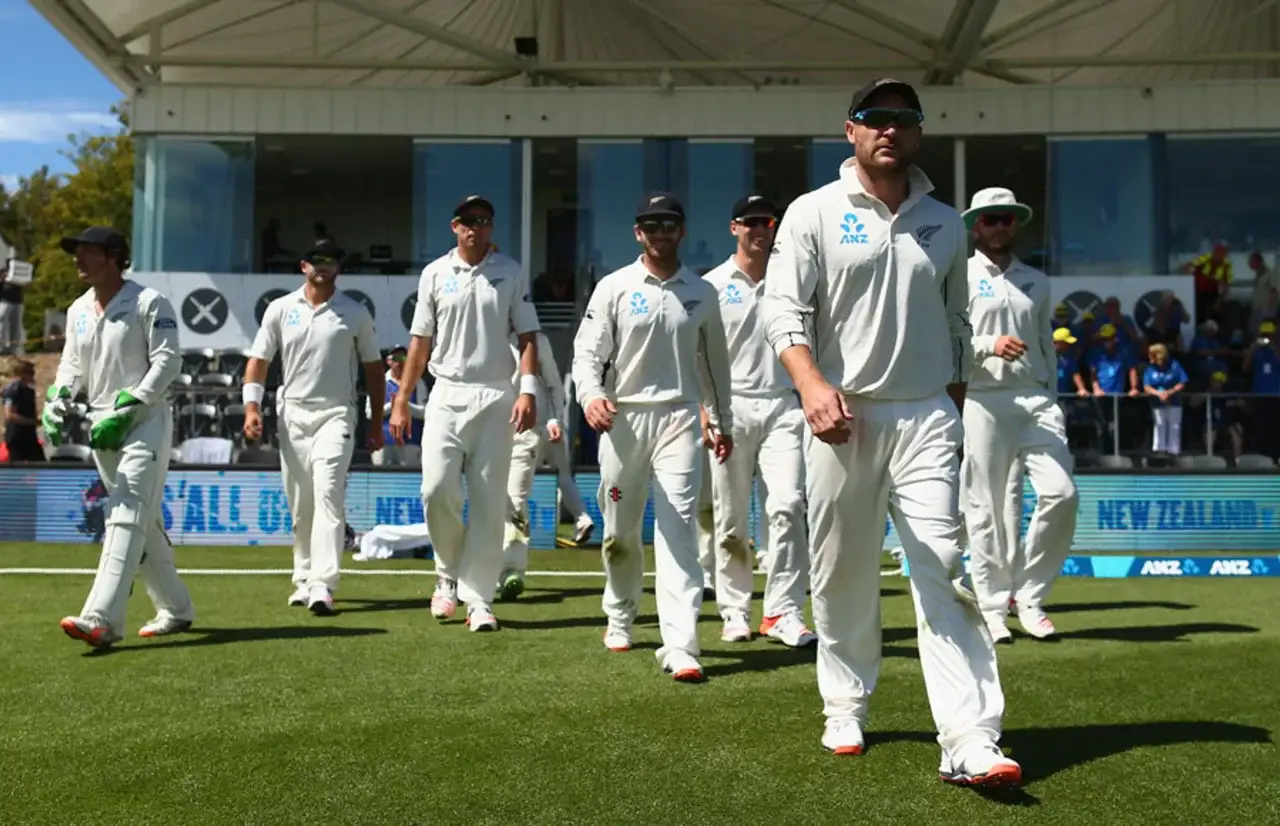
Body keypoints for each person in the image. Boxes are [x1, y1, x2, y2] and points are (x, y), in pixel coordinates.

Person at [760, 78, 1020, 787]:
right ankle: (845, 705)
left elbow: (959, 324)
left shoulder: (946, 221)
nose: (890, 129)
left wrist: (952, 407)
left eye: (904, 118)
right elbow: (783, 311)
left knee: (944, 566)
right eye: (875, 117)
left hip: (927, 414)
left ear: (919, 131)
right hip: (841, 417)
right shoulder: (813, 211)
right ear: (851, 129)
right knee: (841, 570)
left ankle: (970, 737)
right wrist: (811, 386)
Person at [572, 192, 734, 682]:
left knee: (679, 528)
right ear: (638, 233)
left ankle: (681, 645)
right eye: (651, 225)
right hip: (624, 418)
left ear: (681, 231)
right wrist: (591, 396)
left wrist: (721, 420)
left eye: (669, 224)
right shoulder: (615, 287)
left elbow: (715, 366)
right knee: (619, 533)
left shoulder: (702, 292)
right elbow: (588, 352)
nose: (660, 232)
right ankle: (620, 614)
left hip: (680, 419)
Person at [390, 195, 541, 632]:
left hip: (496, 394)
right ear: (455, 226)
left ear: (491, 226)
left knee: (490, 501)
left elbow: (528, 336)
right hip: (447, 392)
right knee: (436, 489)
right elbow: (420, 341)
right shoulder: (435, 273)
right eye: (468, 221)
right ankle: (446, 576)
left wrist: (527, 391)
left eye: (484, 220)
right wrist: (401, 399)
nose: (476, 227)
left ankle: (479, 600)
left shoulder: (510, 271)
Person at [46, 227, 194, 647]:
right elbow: (71, 366)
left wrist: (132, 404)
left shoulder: (149, 302)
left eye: (87, 252)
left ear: (112, 256)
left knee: (125, 511)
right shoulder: (78, 309)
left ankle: (102, 619)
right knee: (143, 521)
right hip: (101, 429)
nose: (77, 260)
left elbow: (168, 361)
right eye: (76, 252)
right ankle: (177, 608)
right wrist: (58, 397)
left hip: (145, 422)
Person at [959, 187, 1079, 645]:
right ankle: (992, 608)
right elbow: (946, 339)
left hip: (1035, 398)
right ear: (975, 225)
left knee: (1062, 494)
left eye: (1006, 219)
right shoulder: (959, 276)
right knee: (987, 508)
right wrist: (989, 345)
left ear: (1016, 224)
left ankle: (1029, 597)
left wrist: (1052, 394)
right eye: (990, 219)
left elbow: (1046, 343)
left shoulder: (1037, 280)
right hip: (983, 398)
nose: (998, 227)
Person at [244, 238, 385, 615]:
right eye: (316, 259)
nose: (323, 265)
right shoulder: (280, 308)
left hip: (336, 414)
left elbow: (374, 370)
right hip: (292, 414)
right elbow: (259, 360)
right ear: (303, 266)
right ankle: (304, 578)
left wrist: (375, 422)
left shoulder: (355, 312)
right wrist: (251, 407)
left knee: (328, 493)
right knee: (301, 502)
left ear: (339, 268)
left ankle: (324, 582)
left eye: (331, 260)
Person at [700, 194, 816, 648]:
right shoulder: (712, 285)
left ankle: (782, 611)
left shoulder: (794, 281)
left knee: (788, 505)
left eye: (767, 222)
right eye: (750, 222)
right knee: (730, 520)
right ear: (735, 228)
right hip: (729, 409)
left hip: (784, 406)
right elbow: (696, 355)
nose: (759, 230)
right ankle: (734, 610)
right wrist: (705, 408)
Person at [498, 329, 567, 601]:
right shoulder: (484, 330)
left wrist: (554, 418)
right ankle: (477, 571)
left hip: (525, 433)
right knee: (488, 502)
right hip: (487, 430)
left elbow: (553, 384)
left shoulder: (539, 341)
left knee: (516, 501)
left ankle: (512, 571)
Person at [369, 346, 427, 467]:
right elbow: (370, 413)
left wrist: (404, 405)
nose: (399, 362)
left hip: (410, 442)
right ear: (388, 361)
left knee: (410, 476)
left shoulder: (417, 382)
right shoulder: (379, 382)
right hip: (384, 441)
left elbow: (425, 413)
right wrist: (391, 406)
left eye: (403, 358)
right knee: (380, 475)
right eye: (395, 358)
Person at [1143, 343, 1188, 455]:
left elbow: (1182, 382)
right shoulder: (1149, 368)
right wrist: (1159, 394)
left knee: (1174, 425)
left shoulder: (1174, 365)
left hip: (1174, 400)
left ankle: (1174, 451)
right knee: (1159, 424)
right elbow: (1147, 386)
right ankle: (1159, 450)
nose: (1148, 356)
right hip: (1157, 401)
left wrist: (1170, 392)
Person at [3, 358, 43, 461]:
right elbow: (10, 415)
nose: (32, 375)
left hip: (29, 437)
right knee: (18, 468)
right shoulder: (13, 390)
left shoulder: (29, 391)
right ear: (21, 373)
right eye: (30, 372)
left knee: (40, 465)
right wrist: (33, 421)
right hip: (17, 437)